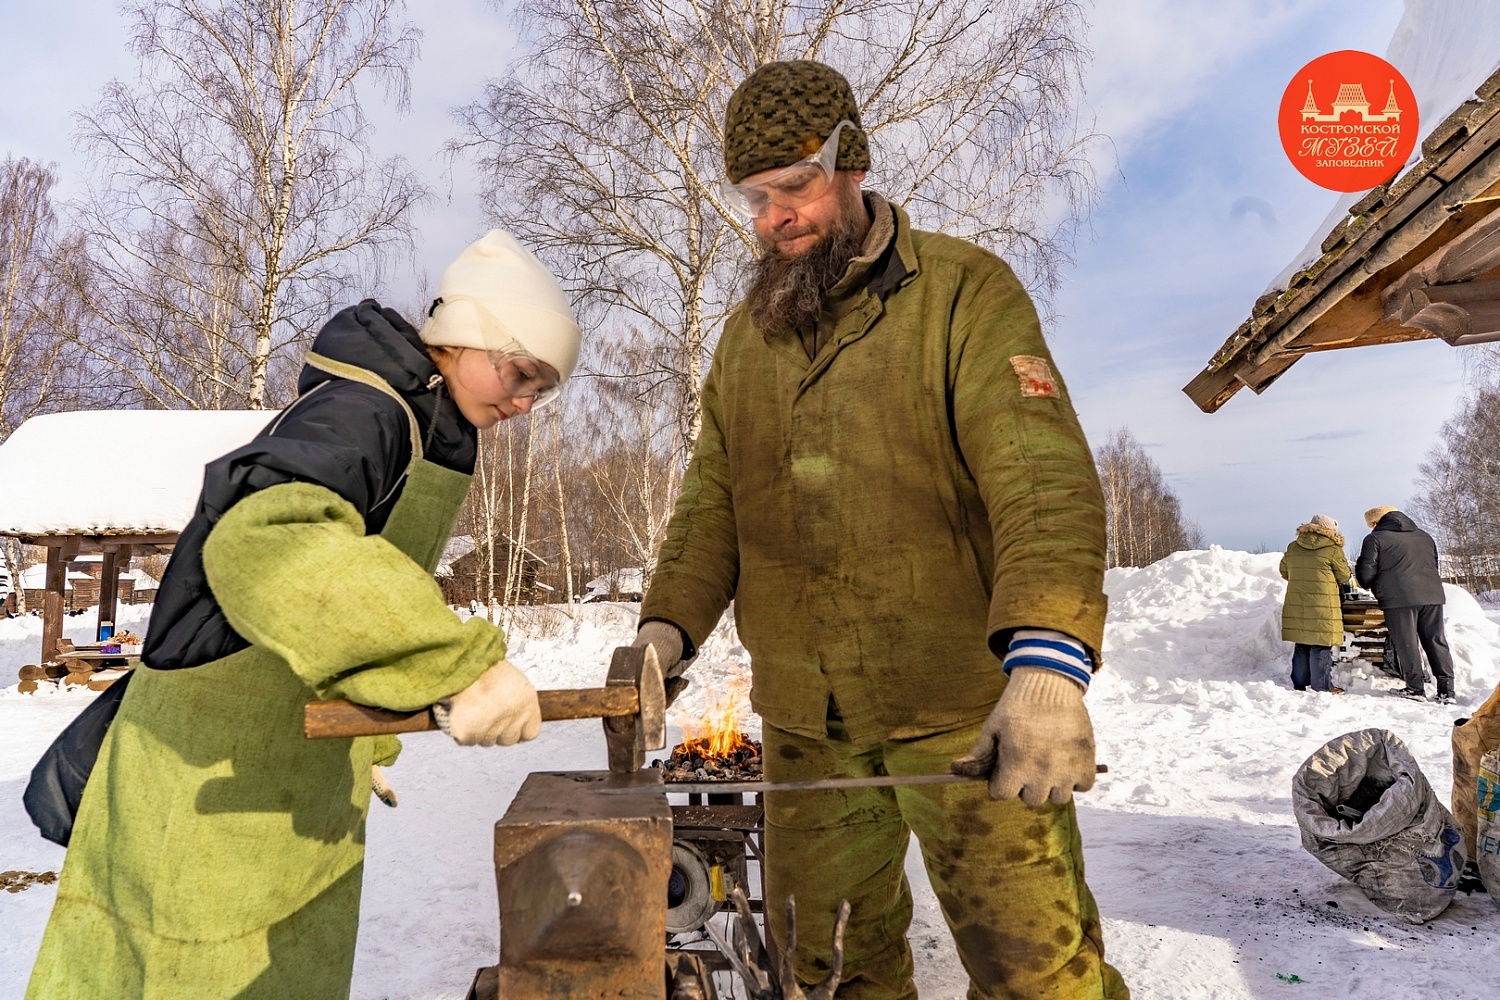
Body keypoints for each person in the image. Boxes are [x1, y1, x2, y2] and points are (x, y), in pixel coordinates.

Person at [628, 60, 1126, 1000]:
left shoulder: (963, 296)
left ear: (851, 164)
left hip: (959, 713)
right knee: (831, 971)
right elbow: (711, 504)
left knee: (1038, 974)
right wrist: (667, 627)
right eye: (754, 197)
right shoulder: (747, 339)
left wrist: (1049, 666)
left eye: (796, 187)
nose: (775, 218)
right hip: (807, 724)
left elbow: (1042, 480)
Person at [25, 230, 580, 999]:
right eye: (518, 372)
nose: (522, 402)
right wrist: (450, 664)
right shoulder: (365, 413)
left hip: (284, 776)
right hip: (204, 793)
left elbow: (337, 594)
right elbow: (267, 541)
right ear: (461, 337)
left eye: (540, 389)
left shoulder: (427, 429)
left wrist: (365, 736)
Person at [1356, 506, 1456, 704]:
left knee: (1407, 642)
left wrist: (1367, 583)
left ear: (1375, 523)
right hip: (1432, 595)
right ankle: (1447, 691)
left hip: (1398, 598)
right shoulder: (1424, 536)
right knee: (1436, 641)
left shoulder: (1375, 539)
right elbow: (1434, 564)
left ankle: (1415, 688)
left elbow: (1366, 573)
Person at [1278, 514, 1351, 693]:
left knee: (1302, 642)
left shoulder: (1293, 546)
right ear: (1329, 530)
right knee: (1321, 644)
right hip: (1323, 604)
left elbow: (1284, 571)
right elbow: (1344, 576)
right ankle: (1322, 686)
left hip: (1298, 601)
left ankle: (1299, 684)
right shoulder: (1332, 549)